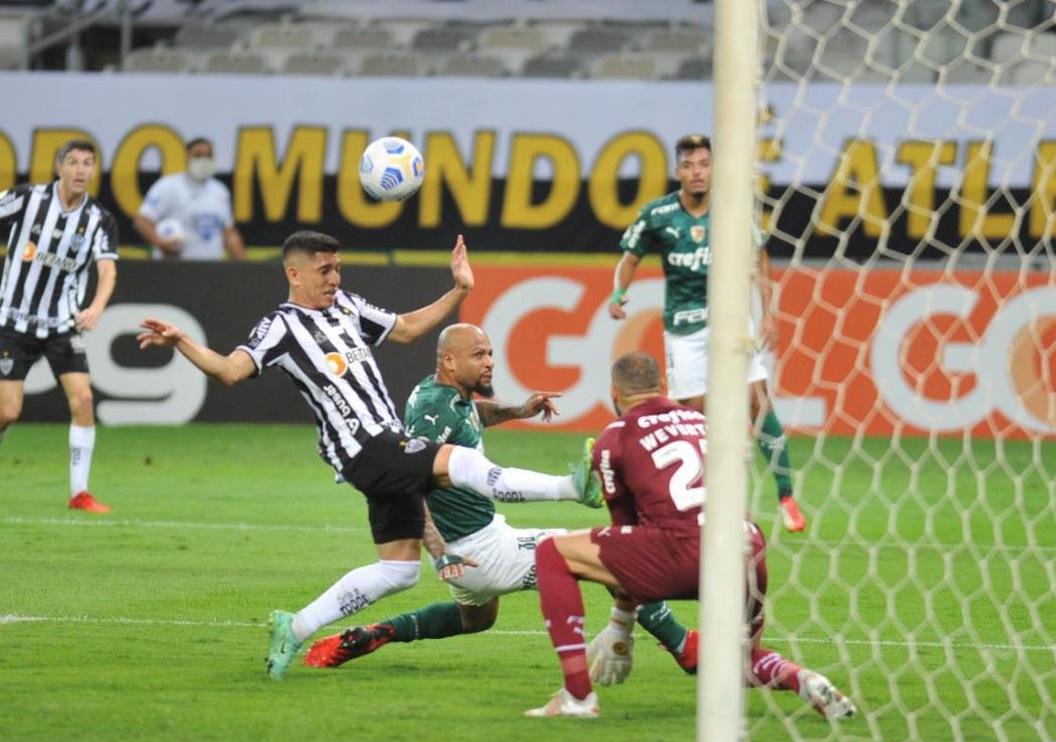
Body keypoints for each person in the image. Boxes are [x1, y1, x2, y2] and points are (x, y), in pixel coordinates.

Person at [136, 230, 602, 681]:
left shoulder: (347, 307)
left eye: (337, 268)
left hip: (382, 450)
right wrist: (182, 343)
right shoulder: (281, 326)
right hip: (366, 447)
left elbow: (406, 329)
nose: (334, 278)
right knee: (462, 463)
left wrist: (458, 289)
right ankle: (571, 487)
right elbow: (230, 371)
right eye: (324, 270)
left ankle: (294, 627)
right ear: (294, 274)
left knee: (398, 572)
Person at [304, 323, 695, 675]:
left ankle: (379, 632)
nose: (490, 361)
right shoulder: (432, 410)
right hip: (477, 549)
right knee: (611, 557)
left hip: (474, 547)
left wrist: (519, 410)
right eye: (479, 355)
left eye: (490, 352)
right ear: (450, 360)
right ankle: (683, 646)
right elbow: (408, 481)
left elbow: (473, 416)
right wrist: (439, 551)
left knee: (476, 619)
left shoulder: (443, 394)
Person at [524, 351, 856, 719]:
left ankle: (578, 698)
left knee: (552, 552)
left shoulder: (616, 436)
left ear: (614, 393)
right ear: (662, 387)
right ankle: (800, 678)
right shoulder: (703, 421)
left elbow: (624, 538)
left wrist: (621, 626)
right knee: (737, 662)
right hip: (748, 553)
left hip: (681, 554)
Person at [609, 133, 807, 533]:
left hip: (731, 318)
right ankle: (695, 501)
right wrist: (618, 292)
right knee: (691, 416)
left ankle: (787, 496)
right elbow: (630, 258)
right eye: (689, 165)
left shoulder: (732, 209)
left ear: (713, 167)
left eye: (703, 164)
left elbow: (760, 257)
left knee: (757, 398)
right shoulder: (658, 215)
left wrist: (768, 314)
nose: (697, 172)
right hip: (683, 329)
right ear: (677, 171)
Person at [0, 139, 119, 513]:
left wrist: (97, 306)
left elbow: (108, 269)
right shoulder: (27, 198)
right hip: (12, 320)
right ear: (59, 167)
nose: (81, 170)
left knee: (83, 400)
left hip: (61, 324)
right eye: (74, 162)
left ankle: (79, 493)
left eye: (88, 163)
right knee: (7, 412)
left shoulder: (100, 219)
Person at [133, 137, 246, 261]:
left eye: (208, 156)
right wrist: (160, 243)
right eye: (198, 155)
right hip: (176, 267)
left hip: (211, 270)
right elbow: (142, 221)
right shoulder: (168, 186)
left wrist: (243, 264)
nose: (204, 160)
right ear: (187, 156)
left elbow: (229, 233)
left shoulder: (220, 191)